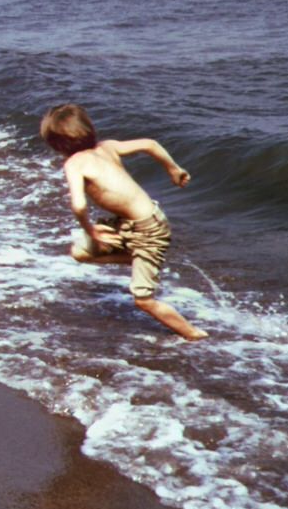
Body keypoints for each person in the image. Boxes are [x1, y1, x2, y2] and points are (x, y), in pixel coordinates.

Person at [40, 104, 208, 341]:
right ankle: (139, 257)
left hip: (148, 229)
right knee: (80, 252)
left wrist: (90, 229)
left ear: (57, 145)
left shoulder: (74, 164)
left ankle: (194, 335)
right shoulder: (107, 147)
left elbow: (78, 205)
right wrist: (173, 168)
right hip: (131, 222)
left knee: (143, 300)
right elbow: (149, 143)